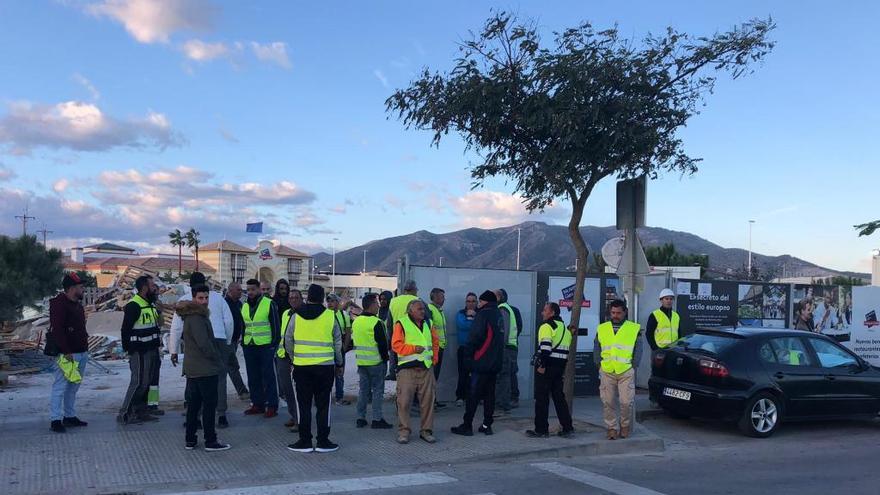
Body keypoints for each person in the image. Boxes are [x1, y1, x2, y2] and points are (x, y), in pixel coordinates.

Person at [170, 272, 235, 428]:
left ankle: (195, 417)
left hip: (194, 345)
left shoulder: (184, 301)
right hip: (218, 340)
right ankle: (221, 415)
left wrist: (173, 350)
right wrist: (227, 341)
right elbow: (229, 321)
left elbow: (176, 328)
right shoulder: (218, 298)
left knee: (194, 381)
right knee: (220, 380)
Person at [284, 284, 344, 453]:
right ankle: (323, 441)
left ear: (307, 297)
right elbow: (337, 343)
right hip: (325, 368)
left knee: (303, 405)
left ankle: (305, 441)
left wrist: (294, 358)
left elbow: (287, 339)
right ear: (323, 298)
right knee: (324, 405)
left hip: (302, 367)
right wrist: (339, 364)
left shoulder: (296, 316)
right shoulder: (330, 316)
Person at [177, 285, 231, 451]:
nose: (204, 301)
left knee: (194, 406)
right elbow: (204, 343)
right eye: (200, 298)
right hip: (204, 368)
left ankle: (190, 439)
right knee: (208, 405)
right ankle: (210, 440)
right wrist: (217, 359)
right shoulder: (197, 318)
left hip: (193, 369)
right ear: (194, 298)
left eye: (206, 298)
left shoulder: (190, 316)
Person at [451, 290, 504, 437]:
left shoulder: (483, 315)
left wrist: (468, 359)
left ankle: (467, 425)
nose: (478, 304)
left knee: (473, 394)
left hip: (481, 362)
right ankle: (487, 425)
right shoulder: (498, 315)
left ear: (485, 302)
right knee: (489, 396)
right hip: (494, 363)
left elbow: (474, 337)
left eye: (479, 301)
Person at [393, 299, 440, 444]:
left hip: (426, 368)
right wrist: (413, 349)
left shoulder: (428, 323)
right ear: (410, 311)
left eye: (423, 309)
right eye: (419, 309)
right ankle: (404, 432)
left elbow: (435, 342)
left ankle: (426, 431)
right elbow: (396, 345)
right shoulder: (401, 323)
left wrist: (434, 359)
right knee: (404, 402)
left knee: (427, 402)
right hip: (407, 369)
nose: (422, 311)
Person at [594, 299, 642, 440]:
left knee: (626, 402)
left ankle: (625, 426)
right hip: (607, 370)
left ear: (624, 312)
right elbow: (597, 346)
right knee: (607, 401)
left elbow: (638, 348)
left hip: (625, 370)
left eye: (618, 313)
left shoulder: (633, 328)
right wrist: (598, 363)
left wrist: (634, 365)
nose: (615, 315)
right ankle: (611, 428)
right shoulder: (602, 328)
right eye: (613, 312)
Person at [118, 275, 162, 425]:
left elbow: (157, 324)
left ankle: (141, 411)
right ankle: (125, 413)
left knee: (147, 382)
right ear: (144, 288)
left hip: (151, 349)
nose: (155, 288)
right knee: (138, 383)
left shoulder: (150, 304)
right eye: (152, 285)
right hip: (139, 351)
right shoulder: (134, 305)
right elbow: (125, 330)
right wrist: (129, 350)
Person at [48, 272, 89, 433]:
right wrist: (66, 351)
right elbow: (57, 330)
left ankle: (70, 416)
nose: (83, 289)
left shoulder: (77, 305)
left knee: (74, 386)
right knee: (60, 386)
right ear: (72, 288)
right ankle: (55, 419)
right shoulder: (59, 304)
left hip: (81, 352)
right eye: (80, 287)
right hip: (66, 354)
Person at [526, 302, 574, 438]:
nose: (542, 312)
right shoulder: (564, 329)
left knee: (542, 398)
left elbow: (546, 349)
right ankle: (568, 428)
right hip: (559, 367)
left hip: (547, 366)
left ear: (552, 313)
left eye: (545, 310)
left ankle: (541, 430)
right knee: (559, 398)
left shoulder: (546, 326)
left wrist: (542, 366)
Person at [241, 278, 281, 417]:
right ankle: (257, 404)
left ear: (259, 289)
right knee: (253, 376)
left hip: (265, 346)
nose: (250, 292)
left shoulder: (269, 303)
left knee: (268, 377)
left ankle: (272, 405)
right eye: (248, 290)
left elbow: (276, 325)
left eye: (253, 289)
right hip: (249, 345)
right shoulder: (245, 305)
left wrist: (273, 345)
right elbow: (243, 325)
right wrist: (243, 343)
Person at [352, 293, 393, 429]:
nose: (379, 305)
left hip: (362, 363)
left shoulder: (357, 321)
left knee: (363, 391)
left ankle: (360, 418)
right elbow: (383, 344)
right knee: (377, 391)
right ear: (371, 305)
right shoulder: (377, 322)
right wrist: (385, 359)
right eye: (377, 303)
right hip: (376, 363)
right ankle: (377, 419)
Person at [277, 289, 303, 430]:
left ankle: (299, 420)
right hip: (282, 355)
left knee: (297, 391)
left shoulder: (304, 314)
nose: (293, 299)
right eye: (291, 297)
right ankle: (293, 415)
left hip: (296, 356)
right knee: (286, 389)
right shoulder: (286, 314)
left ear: (301, 299)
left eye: (296, 297)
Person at [495, 288, 521, 415]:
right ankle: (505, 401)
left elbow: (503, 331)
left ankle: (503, 404)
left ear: (499, 297)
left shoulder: (502, 309)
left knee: (503, 375)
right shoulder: (508, 308)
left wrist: (500, 346)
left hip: (506, 348)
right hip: (511, 347)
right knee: (507, 375)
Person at [223, 282, 249, 400]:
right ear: (230, 290)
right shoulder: (224, 304)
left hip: (234, 339)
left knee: (230, 365)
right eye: (238, 290)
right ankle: (241, 391)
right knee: (232, 365)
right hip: (226, 340)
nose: (241, 292)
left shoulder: (239, 304)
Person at [326, 293, 352, 405]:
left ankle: (339, 397)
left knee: (339, 373)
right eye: (328, 301)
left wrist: (344, 348)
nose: (330, 304)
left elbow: (347, 333)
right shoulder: (325, 315)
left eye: (332, 301)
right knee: (327, 374)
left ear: (337, 302)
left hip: (340, 346)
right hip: (328, 348)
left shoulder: (344, 315)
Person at [454, 292, 478, 406]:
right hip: (464, 348)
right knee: (462, 373)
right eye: (468, 301)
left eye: (473, 301)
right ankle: (460, 396)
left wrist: (473, 318)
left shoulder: (481, 313)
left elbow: (480, 328)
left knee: (477, 373)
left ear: (477, 302)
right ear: (465, 302)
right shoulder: (460, 313)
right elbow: (463, 326)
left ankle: (476, 397)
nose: (471, 303)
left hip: (478, 349)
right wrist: (470, 317)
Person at [427, 288, 448, 408]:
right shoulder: (430, 310)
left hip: (440, 347)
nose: (444, 299)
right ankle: (430, 402)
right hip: (434, 349)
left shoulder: (439, 310)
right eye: (441, 297)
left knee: (435, 376)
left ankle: (433, 400)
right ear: (434, 297)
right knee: (432, 376)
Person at [378, 290, 395, 379]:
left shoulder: (391, 310)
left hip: (390, 336)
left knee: (392, 356)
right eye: (381, 299)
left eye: (384, 299)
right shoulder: (379, 311)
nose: (382, 301)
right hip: (381, 337)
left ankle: (392, 373)